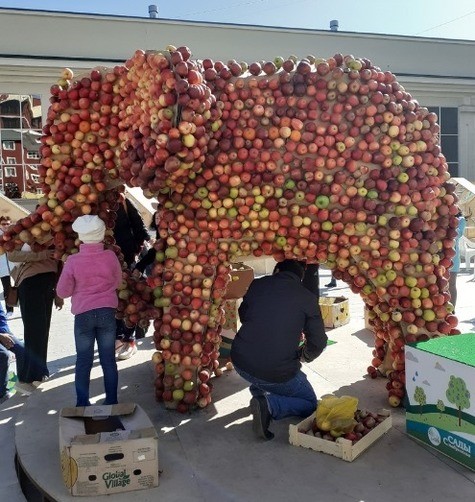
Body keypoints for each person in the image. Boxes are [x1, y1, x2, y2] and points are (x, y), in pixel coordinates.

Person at [231, 259, 328, 440]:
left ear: (276, 271)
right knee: (310, 403)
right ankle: (269, 406)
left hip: (240, 362)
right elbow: (319, 341)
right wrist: (304, 355)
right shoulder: (307, 297)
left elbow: (244, 314)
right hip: (274, 372)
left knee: (262, 351)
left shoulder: (258, 284)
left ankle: (259, 392)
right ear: (300, 278)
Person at [56, 215, 122, 407]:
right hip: (107, 312)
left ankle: (82, 403)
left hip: (83, 315)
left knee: (83, 362)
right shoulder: (110, 256)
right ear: (102, 234)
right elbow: (118, 281)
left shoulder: (73, 261)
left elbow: (63, 291)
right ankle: (111, 400)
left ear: (80, 236)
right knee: (108, 360)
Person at [8, 241, 63, 395]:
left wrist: (58, 292)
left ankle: (39, 374)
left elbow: (61, 262)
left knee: (42, 330)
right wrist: (43, 255)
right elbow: (12, 255)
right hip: (30, 283)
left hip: (48, 283)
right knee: (34, 331)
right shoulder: (27, 231)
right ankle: (27, 379)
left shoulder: (56, 230)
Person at [113, 190, 150, 360]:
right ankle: (117, 337)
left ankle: (129, 339)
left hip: (127, 258)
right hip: (106, 261)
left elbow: (139, 227)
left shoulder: (124, 203)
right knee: (114, 301)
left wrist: (147, 242)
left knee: (130, 300)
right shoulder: (94, 205)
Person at [0, 301, 26, 403]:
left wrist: (5, 334)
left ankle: (24, 383)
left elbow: (1, 318)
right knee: (3, 355)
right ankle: (2, 394)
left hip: (2, 332)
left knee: (23, 350)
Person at [449, 211, 467, 308]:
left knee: (451, 284)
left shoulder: (461, 220)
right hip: (440, 257)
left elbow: (457, 234)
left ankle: (452, 309)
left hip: (453, 258)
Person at [0, 216, 15, 318]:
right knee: (6, 288)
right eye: (3, 224)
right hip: (2, 266)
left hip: (12, 265)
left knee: (13, 287)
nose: (6, 226)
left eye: (7, 224)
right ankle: (7, 310)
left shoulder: (13, 234)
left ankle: (12, 309)